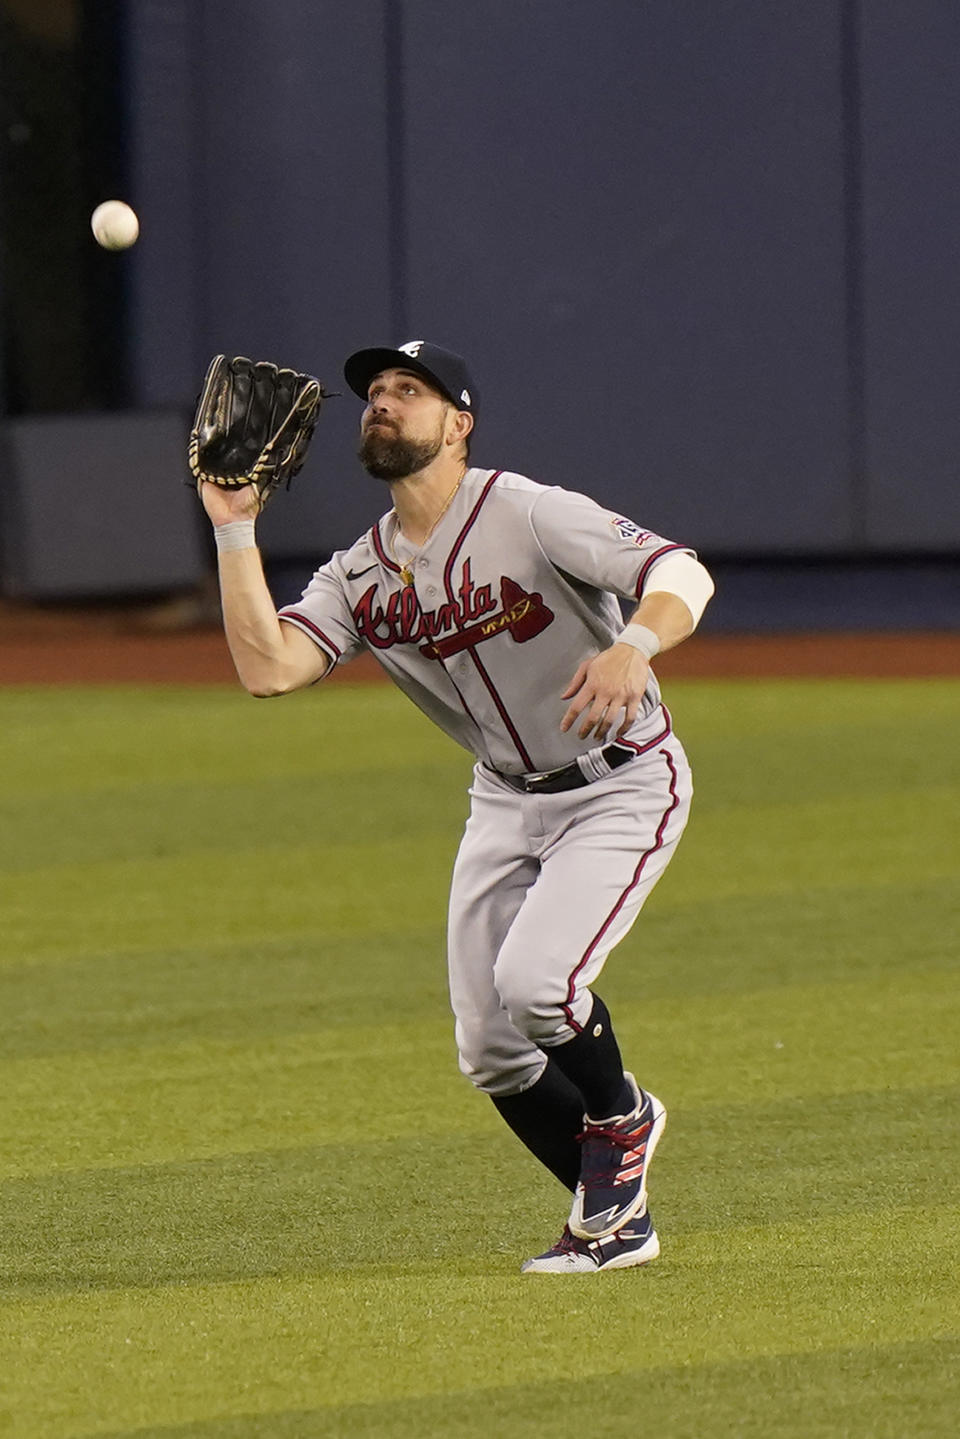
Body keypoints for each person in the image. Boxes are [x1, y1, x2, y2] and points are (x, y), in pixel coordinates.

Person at [200, 340, 714, 1274]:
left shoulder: (527, 511)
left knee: (536, 987)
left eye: (410, 390)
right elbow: (267, 666)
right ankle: (615, 1219)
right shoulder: (358, 573)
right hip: (504, 803)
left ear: (459, 424)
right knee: (491, 1049)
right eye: (376, 394)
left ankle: (622, 1114)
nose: (384, 404)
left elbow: (683, 572)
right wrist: (235, 528)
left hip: (619, 783)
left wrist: (636, 642)